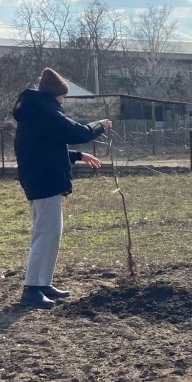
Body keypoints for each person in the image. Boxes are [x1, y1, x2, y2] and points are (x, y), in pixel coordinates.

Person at [13, 68, 112, 309]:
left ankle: (43, 283)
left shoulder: (36, 112)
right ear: (56, 94)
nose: (64, 100)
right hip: (44, 181)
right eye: (63, 96)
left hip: (41, 179)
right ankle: (32, 288)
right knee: (46, 234)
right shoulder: (46, 113)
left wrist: (78, 156)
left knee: (51, 234)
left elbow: (46, 147)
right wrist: (100, 125)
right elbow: (77, 132)